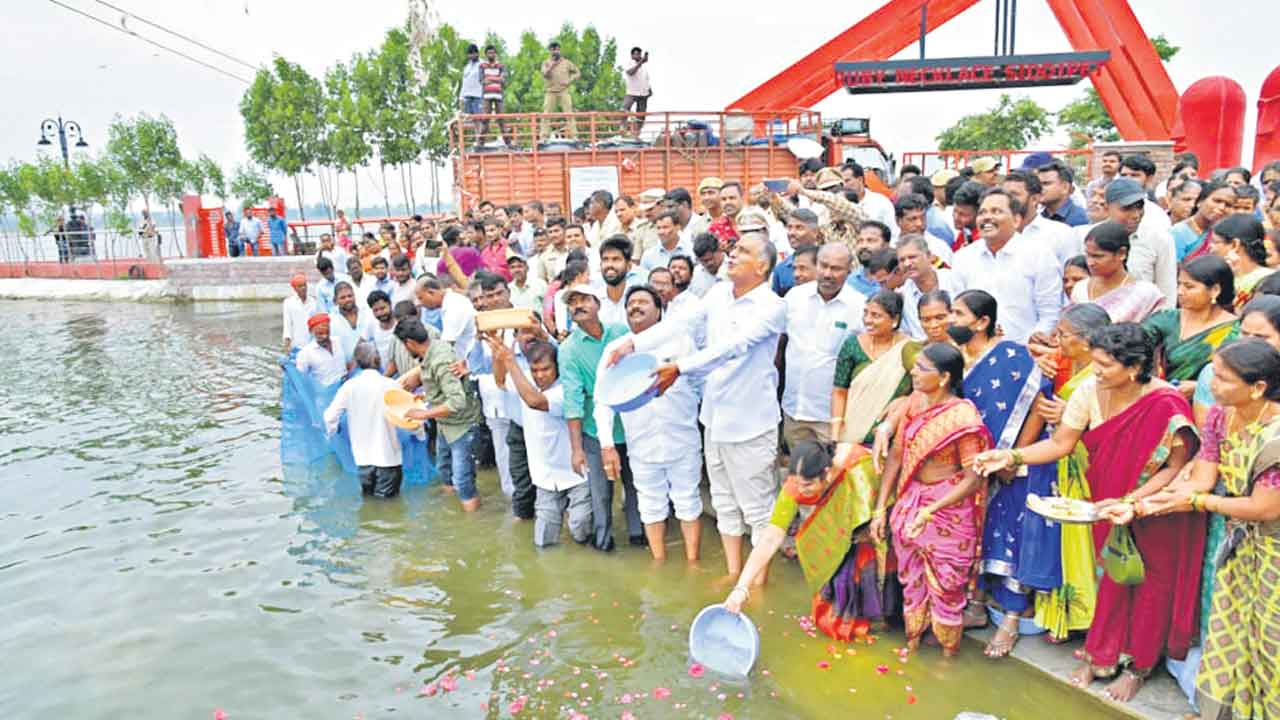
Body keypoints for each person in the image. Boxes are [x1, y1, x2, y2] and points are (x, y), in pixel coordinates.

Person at [972, 323, 1203, 703]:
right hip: (1104, 502)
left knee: (1149, 586)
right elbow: (1062, 444)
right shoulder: (1088, 390)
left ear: (1135, 367)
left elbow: (1173, 467)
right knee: (1111, 578)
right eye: (1094, 363)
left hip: (1157, 508)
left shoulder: (1165, 402)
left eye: (1105, 365)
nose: (1095, 371)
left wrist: (1134, 503)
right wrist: (1011, 455)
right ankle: (1102, 656)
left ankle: (1138, 668)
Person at [606, 233, 786, 579]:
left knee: (757, 510)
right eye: (733, 249)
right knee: (724, 503)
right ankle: (734, 573)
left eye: (743, 252)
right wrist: (633, 342)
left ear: (762, 266)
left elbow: (733, 347)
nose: (732, 255)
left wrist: (680, 368)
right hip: (715, 417)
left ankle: (755, 582)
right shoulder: (718, 293)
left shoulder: (772, 307)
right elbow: (681, 323)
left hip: (751, 422)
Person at [1136, 339, 1280, 719]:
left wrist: (1200, 503)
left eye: (1222, 378)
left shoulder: (1277, 436)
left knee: (1272, 644)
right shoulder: (1219, 416)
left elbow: (1264, 507)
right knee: (1231, 630)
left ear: (1259, 387)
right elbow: (1202, 478)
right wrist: (1147, 503)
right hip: (1240, 546)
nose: (1211, 384)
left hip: (1274, 551)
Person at [944, 289, 1055, 654]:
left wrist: (1014, 456)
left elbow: (1039, 402)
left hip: (1015, 466)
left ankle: (1010, 619)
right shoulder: (954, 357)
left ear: (982, 322)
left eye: (957, 314)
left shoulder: (1013, 356)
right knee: (978, 530)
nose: (950, 320)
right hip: (972, 467)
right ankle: (976, 605)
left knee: (1012, 534)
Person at [869, 343, 993, 656]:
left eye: (922, 368)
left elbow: (973, 477)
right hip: (911, 501)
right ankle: (913, 642)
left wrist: (932, 509)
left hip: (948, 509)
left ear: (944, 378)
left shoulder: (962, 417)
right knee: (911, 580)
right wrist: (880, 509)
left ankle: (947, 655)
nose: (913, 371)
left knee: (947, 588)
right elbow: (897, 455)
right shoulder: (914, 402)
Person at [724, 439, 899, 638]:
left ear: (826, 473)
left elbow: (887, 491)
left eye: (807, 485)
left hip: (874, 524)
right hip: (838, 531)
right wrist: (741, 588)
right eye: (797, 483)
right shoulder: (794, 487)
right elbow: (771, 537)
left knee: (877, 580)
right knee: (837, 604)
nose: (801, 490)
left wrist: (876, 521)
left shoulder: (857, 464)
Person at [594, 286, 702, 561]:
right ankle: (659, 562)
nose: (635, 306)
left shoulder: (679, 340)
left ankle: (692, 561)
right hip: (640, 441)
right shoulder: (615, 350)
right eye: (630, 303)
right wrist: (607, 445)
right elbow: (602, 401)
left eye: (643, 301)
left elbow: (700, 381)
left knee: (688, 502)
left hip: (682, 437)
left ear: (659, 310)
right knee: (650, 505)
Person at [1028, 303, 1112, 643]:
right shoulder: (1067, 363)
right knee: (1062, 541)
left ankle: (1090, 619)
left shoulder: (1105, 374)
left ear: (1088, 341)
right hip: (1062, 462)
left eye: (1063, 335)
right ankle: (1064, 615)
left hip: (1089, 467)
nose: (1057, 341)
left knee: (1085, 543)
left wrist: (1071, 413)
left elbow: (1115, 424)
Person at [556, 282, 642, 550]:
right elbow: (572, 399)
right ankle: (604, 544)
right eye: (573, 302)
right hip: (595, 430)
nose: (578, 306)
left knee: (636, 487)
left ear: (598, 304)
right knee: (600, 494)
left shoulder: (620, 332)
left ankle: (641, 539)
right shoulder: (568, 349)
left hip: (631, 422)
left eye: (584, 299)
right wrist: (576, 449)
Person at [488, 336, 591, 546]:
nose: (540, 376)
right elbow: (500, 381)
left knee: (580, 529)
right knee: (544, 542)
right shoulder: (525, 380)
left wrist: (510, 361)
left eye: (545, 369)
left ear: (557, 367)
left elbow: (535, 401)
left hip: (577, 474)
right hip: (544, 476)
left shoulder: (566, 390)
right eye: (535, 371)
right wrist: (498, 355)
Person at [951, 188, 1062, 343]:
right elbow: (957, 313)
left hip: (1026, 355)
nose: (987, 217)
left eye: (996, 211)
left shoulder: (1039, 256)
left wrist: (1031, 346)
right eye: (982, 213)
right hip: (976, 356)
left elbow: (1050, 314)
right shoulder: (963, 258)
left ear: (1016, 220)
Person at [396, 317, 483, 512]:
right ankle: (450, 510)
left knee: (463, 480)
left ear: (409, 343)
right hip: (445, 424)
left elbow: (457, 401)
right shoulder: (433, 349)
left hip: (461, 426)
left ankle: (472, 523)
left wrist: (424, 414)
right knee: (445, 470)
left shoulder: (440, 360)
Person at [781, 244, 861, 447]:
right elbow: (780, 344)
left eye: (836, 269)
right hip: (793, 410)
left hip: (831, 417)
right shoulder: (794, 297)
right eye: (823, 266)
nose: (828, 274)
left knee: (831, 475)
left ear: (849, 271)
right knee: (798, 474)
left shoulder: (859, 307)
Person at [1142, 255, 1237, 401]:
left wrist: (1201, 386)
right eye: (1179, 284)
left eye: (1189, 286)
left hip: (1211, 405)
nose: (1180, 291)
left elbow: (1242, 376)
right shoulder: (1167, 319)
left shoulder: (1235, 330)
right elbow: (1135, 344)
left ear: (1215, 290)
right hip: (1162, 400)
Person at [830, 290, 918, 446]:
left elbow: (923, 390)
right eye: (866, 313)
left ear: (895, 319)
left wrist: (905, 400)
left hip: (891, 439)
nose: (867, 320)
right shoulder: (852, 345)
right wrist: (836, 436)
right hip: (850, 437)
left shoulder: (910, 348)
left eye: (876, 315)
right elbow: (839, 391)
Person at [323, 341, 409, 498]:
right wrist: (420, 434)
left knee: (368, 502)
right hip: (388, 458)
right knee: (388, 509)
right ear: (378, 360)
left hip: (362, 459)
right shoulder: (391, 385)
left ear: (356, 362)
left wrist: (332, 432)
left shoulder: (349, 387)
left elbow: (329, 416)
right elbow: (409, 415)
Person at [1071, 221, 1166, 323]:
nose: (1090, 263)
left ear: (1121, 253)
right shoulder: (1080, 289)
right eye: (1088, 255)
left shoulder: (1144, 294)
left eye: (1097, 256)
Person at [1104, 178, 1177, 304]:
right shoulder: (1093, 237)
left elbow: (1167, 292)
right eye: (1127, 208)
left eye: (1139, 207)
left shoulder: (1160, 240)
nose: (1136, 215)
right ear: (1107, 208)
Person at [1004, 170, 1080, 268]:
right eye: (1004, 195)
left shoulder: (1061, 234)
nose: (1006, 200)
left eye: (1014, 195)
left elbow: (1072, 275)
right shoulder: (997, 234)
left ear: (1034, 199)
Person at [896, 234, 963, 340]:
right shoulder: (902, 296)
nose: (907, 263)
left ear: (929, 256)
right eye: (902, 260)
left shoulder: (954, 279)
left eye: (912, 257)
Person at [1210, 214, 1276, 308]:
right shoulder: (1217, 273)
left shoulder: (1268, 280)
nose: (1210, 247)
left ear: (1234, 244)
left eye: (1215, 242)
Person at [1172, 181, 1237, 262]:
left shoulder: (1224, 236)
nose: (1222, 207)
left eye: (1228, 205)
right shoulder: (1178, 232)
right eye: (1217, 201)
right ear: (1200, 202)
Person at [295, 314, 350, 386]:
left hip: (346, 386)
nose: (325, 336)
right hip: (325, 393)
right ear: (311, 332)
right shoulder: (305, 353)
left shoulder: (338, 341)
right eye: (320, 334)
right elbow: (299, 379)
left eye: (327, 332)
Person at [540, 41, 580, 139]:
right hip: (550, 92)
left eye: (557, 49)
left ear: (559, 50)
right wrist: (552, 65)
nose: (555, 51)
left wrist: (569, 80)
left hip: (563, 91)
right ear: (550, 51)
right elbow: (544, 74)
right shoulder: (546, 63)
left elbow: (577, 72)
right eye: (553, 49)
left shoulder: (566, 62)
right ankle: (544, 136)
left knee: (569, 113)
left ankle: (574, 135)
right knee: (546, 114)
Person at [1038, 160, 1089, 227]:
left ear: (1065, 187)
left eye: (1046, 183)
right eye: (1038, 184)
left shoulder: (1081, 219)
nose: (1039, 188)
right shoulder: (1038, 218)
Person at [328, 281, 369, 363]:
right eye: (342, 297)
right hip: (347, 370)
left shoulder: (367, 313)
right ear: (335, 300)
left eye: (350, 296)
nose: (347, 299)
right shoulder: (330, 320)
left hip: (372, 366)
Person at [477, 45, 510, 145]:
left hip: (498, 95)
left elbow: (503, 79)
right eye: (489, 53)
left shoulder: (501, 66)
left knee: (501, 119)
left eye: (493, 53)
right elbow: (482, 80)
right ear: (486, 54)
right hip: (486, 96)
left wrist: (490, 79)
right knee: (485, 119)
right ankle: (480, 142)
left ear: (495, 54)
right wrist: (497, 78)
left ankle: (508, 142)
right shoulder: (482, 66)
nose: (491, 54)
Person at [282, 272, 318, 353]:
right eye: (300, 286)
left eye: (304, 285)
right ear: (294, 288)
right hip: (296, 345)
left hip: (313, 344)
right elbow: (287, 325)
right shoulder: (288, 303)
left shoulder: (314, 301)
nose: (303, 288)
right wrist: (287, 344)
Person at [622, 46, 651, 136]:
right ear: (632, 55)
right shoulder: (630, 63)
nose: (638, 56)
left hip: (643, 94)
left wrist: (649, 90)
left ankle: (637, 132)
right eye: (636, 54)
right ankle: (623, 128)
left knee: (641, 114)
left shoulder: (643, 68)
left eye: (639, 54)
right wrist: (641, 62)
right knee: (625, 109)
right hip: (632, 92)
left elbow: (646, 79)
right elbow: (631, 72)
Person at [458, 43, 483, 119]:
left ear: (477, 53)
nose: (471, 56)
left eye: (473, 54)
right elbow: (464, 82)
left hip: (478, 96)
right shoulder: (467, 67)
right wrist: (461, 97)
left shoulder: (482, 64)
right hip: (467, 96)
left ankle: (480, 131)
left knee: (478, 118)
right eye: (469, 54)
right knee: (468, 119)